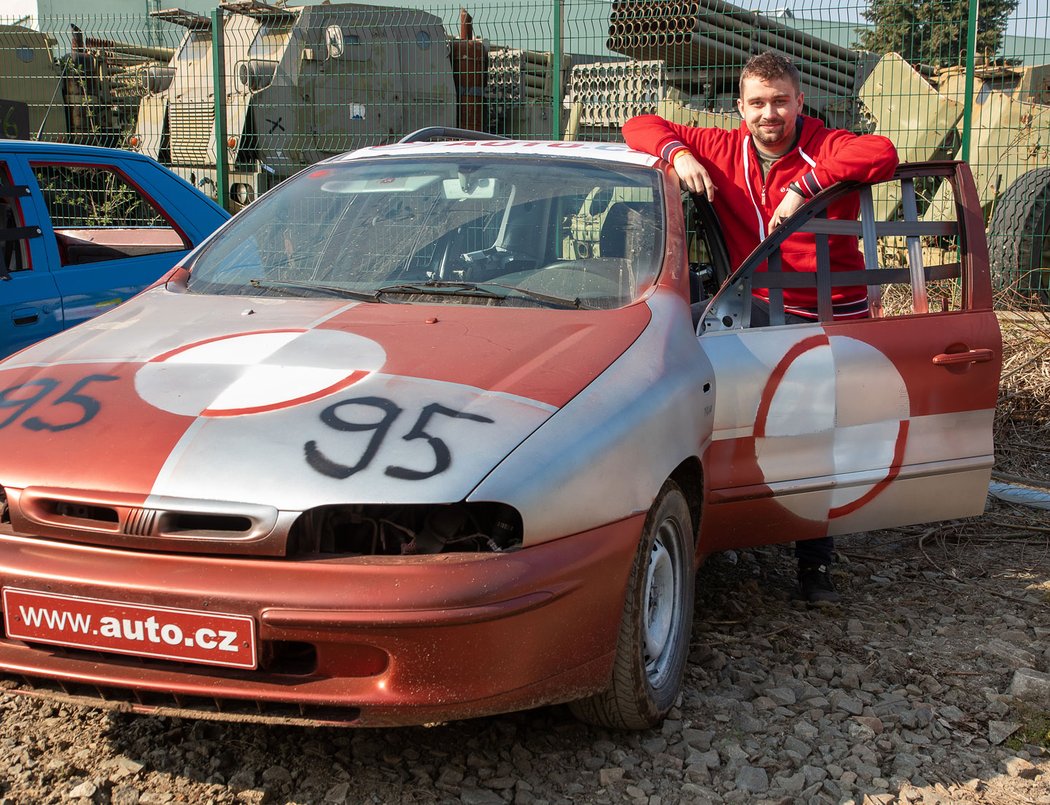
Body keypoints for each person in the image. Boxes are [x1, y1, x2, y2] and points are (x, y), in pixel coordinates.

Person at [623, 51, 900, 604]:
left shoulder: (826, 144)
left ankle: (814, 564)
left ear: (799, 101)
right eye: (756, 103)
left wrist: (808, 185)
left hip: (829, 316)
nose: (768, 113)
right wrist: (676, 154)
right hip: (755, 314)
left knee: (817, 438)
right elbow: (638, 125)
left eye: (779, 101)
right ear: (740, 107)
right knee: (740, 426)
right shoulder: (722, 147)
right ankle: (737, 528)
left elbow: (883, 153)